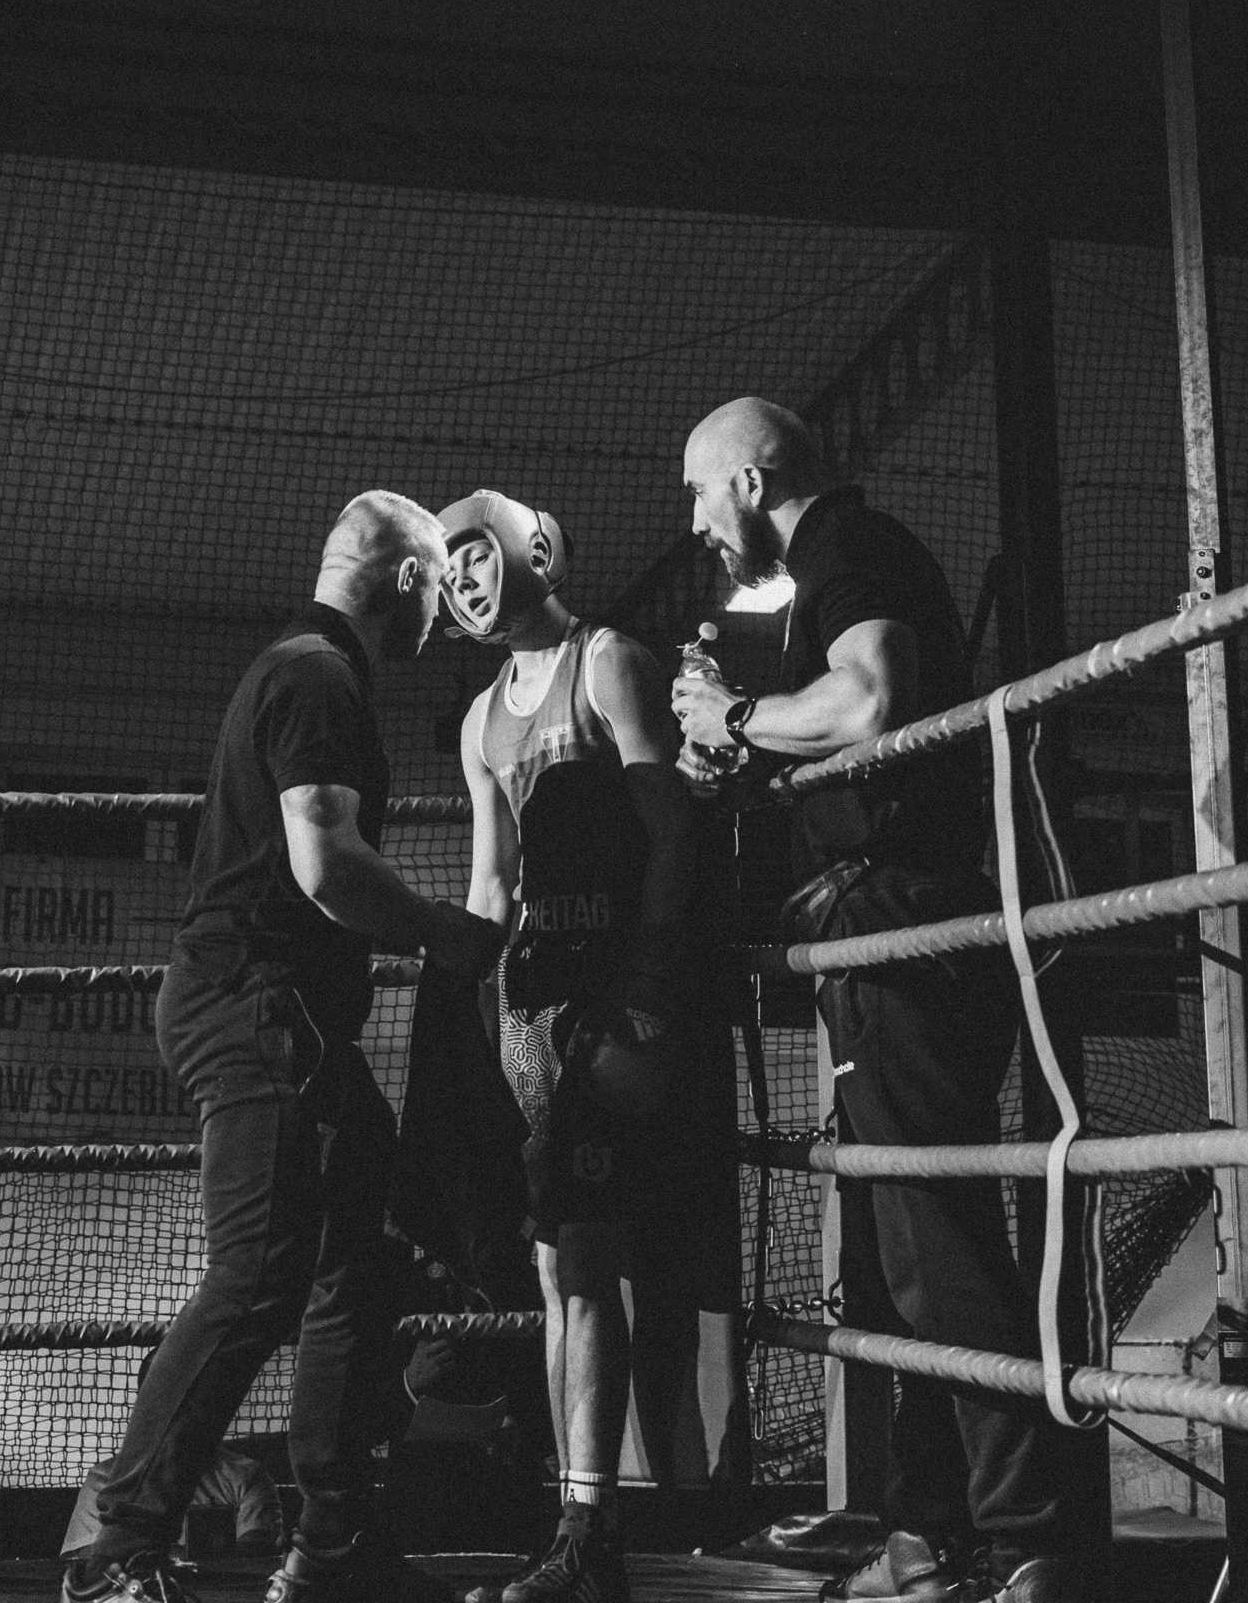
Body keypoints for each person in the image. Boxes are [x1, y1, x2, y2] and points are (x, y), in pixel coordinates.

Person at [671, 399, 1088, 1603]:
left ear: (752, 482)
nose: (695, 524)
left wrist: (734, 716)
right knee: (902, 1251)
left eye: (700, 492)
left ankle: (1025, 1538)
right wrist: (742, 741)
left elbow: (871, 702)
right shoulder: (829, 569)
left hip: (903, 926)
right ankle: (934, 1530)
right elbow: (843, 724)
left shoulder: (847, 548)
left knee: (932, 1241)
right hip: (887, 927)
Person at [62, 491, 505, 1603]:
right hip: (257, 1004)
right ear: (410, 580)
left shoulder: (305, 669)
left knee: (358, 1256)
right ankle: (116, 1548)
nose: (444, 615)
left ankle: (335, 1543)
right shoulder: (318, 678)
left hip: (280, 1010)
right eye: (438, 590)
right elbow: (325, 864)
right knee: (259, 1272)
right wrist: (444, 931)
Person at [442, 488, 742, 1603]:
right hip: (532, 1014)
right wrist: (454, 1002)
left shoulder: (607, 661)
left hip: (620, 1005)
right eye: (449, 570)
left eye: (475, 555)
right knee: (554, 1268)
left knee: (600, 1264)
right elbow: (491, 884)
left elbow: (671, 830)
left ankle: (592, 1531)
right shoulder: (481, 720)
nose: (462, 581)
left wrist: (648, 989)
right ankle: (578, 1524)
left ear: (532, 549)